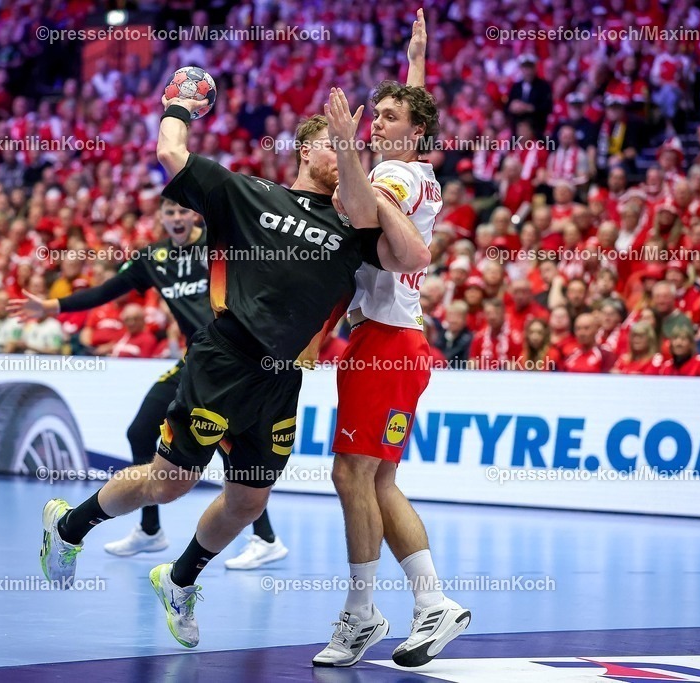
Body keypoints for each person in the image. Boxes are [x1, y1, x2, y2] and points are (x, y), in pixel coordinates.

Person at [38, 83, 429, 651]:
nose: (349, 155)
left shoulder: (356, 231)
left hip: (281, 378)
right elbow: (171, 151)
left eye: (356, 151)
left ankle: (179, 579)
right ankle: (69, 525)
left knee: (249, 500)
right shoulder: (247, 193)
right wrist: (178, 105)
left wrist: (383, 169)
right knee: (169, 484)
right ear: (304, 149)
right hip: (224, 358)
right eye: (334, 144)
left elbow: (413, 254)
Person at [11, 199, 287, 568]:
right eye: (169, 212)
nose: (176, 218)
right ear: (161, 218)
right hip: (195, 363)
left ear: (194, 215)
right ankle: (151, 531)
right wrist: (53, 307)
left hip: (234, 364)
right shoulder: (153, 258)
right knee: (141, 432)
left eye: (182, 211)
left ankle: (265, 538)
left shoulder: (219, 247)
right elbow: (107, 291)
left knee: (229, 442)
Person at [316, 11, 469, 669]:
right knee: (376, 482)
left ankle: (362, 611)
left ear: (416, 134)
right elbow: (413, 121)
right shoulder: (420, 168)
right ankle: (432, 602)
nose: (377, 121)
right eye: (372, 113)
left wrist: (346, 148)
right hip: (398, 343)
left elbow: (360, 206)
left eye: (387, 116)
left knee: (352, 472)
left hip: (383, 343)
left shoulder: (395, 177)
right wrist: (416, 61)